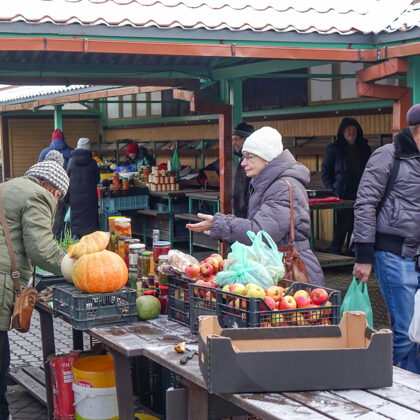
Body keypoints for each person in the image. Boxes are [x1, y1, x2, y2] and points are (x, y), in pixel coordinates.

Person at [187, 126, 325, 286]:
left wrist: (219, 223)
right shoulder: (267, 183)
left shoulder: (280, 187)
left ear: (266, 157)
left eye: (249, 156)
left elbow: (261, 233)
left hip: (290, 271)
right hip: (275, 266)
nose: (243, 163)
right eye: (243, 156)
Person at [0, 154, 69, 420]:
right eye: (58, 196)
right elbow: (42, 250)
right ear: (50, 186)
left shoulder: (8, 186)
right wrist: (74, 268)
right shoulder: (38, 195)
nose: (56, 201)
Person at [353, 104, 420, 375]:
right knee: (405, 332)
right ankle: (383, 380)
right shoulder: (388, 155)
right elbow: (365, 204)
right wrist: (364, 255)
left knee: (417, 331)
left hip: (417, 254)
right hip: (393, 254)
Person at [321, 118, 371, 254]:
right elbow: (325, 172)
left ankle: (351, 252)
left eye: (354, 130)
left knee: (357, 224)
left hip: (360, 193)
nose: (351, 132)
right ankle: (335, 250)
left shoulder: (364, 148)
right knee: (344, 223)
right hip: (341, 194)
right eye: (349, 129)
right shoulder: (334, 149)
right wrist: (332, 189)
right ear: (342, 132)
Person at [67, 138, 100, 239]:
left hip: (75, 199)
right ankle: (91, 242)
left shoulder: (71, 162)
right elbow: (97, 179)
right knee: (90, 226)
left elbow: (67, 177)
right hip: (90, 199)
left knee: (76, 222)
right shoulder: (93, 163)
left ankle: (76, 240)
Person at [232, 122, 254, 218]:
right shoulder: (241, 158)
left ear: (246, 140)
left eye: (236, 139)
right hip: (240, 211)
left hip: (247, 212)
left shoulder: (253, 161)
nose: (234, 143)